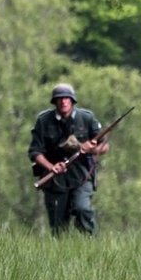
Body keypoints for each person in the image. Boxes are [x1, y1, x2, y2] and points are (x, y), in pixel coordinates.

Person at [27, 83, 110, 236]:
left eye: (66, 98)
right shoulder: (44, 121)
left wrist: (91, 149)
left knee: (82, 208)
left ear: (72, 101)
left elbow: (104, 146)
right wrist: (51, 166)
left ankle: (91, 243)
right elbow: (35, 152)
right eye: (59, 99)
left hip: (82, 176)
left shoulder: (86, 118)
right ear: (54, 102)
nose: (63, 102)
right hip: (55, 181)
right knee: (59, 228)